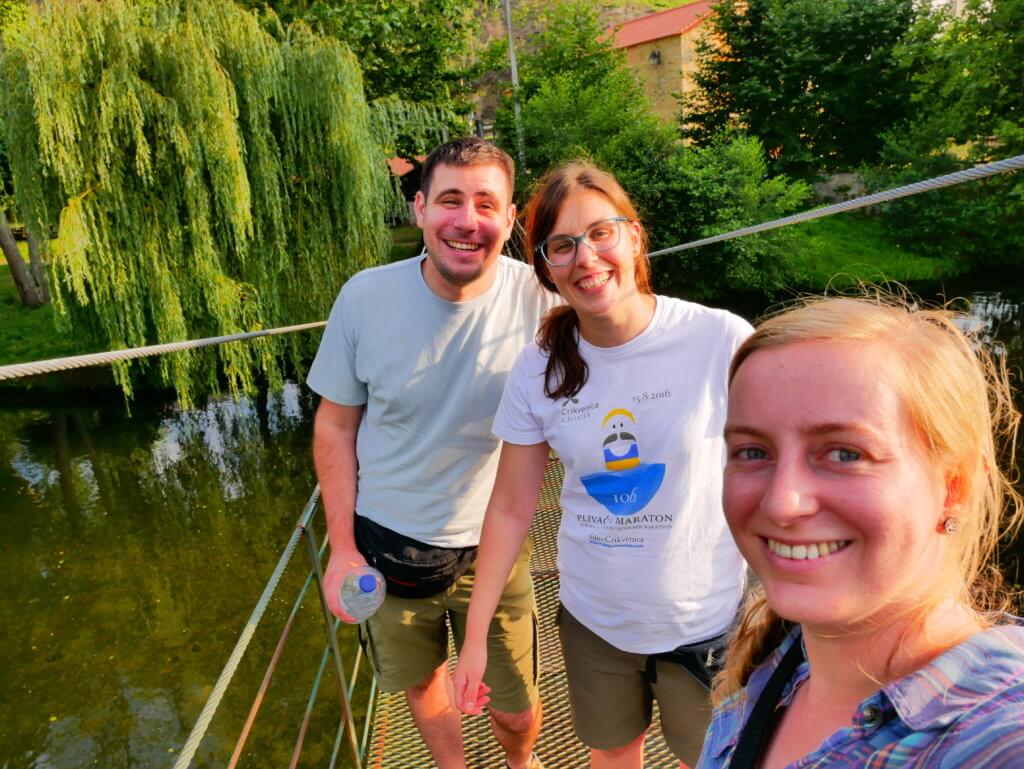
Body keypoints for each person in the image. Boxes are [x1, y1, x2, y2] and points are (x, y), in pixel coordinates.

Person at [452, 161, 752, 769]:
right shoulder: (538, 368)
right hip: (595, 620)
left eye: (600, 233)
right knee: (612, 756)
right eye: (562, 246)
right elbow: (511, 508)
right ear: (546, 268)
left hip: (705, 621)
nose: (586, 257)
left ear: (634, 236)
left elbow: (782, 464)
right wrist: (476, 636)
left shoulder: (720, 341)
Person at [308, 137, 557, 769]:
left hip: (494, 545)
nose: (466, 220)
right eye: (449, 199)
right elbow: (335, 428)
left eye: (485, 203)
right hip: (386, 546)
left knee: (518, 704)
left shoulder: (542, 303)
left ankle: (520, 765)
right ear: (419, 208)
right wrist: (341, 551)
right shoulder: (364, 298)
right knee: (422, 684)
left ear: (509, 218)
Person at [700, 295, 1024, 769]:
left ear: (952, 487)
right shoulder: (775, 667)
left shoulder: (998, 739)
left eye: (845, 453)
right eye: (752, 451)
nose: (782, 503)